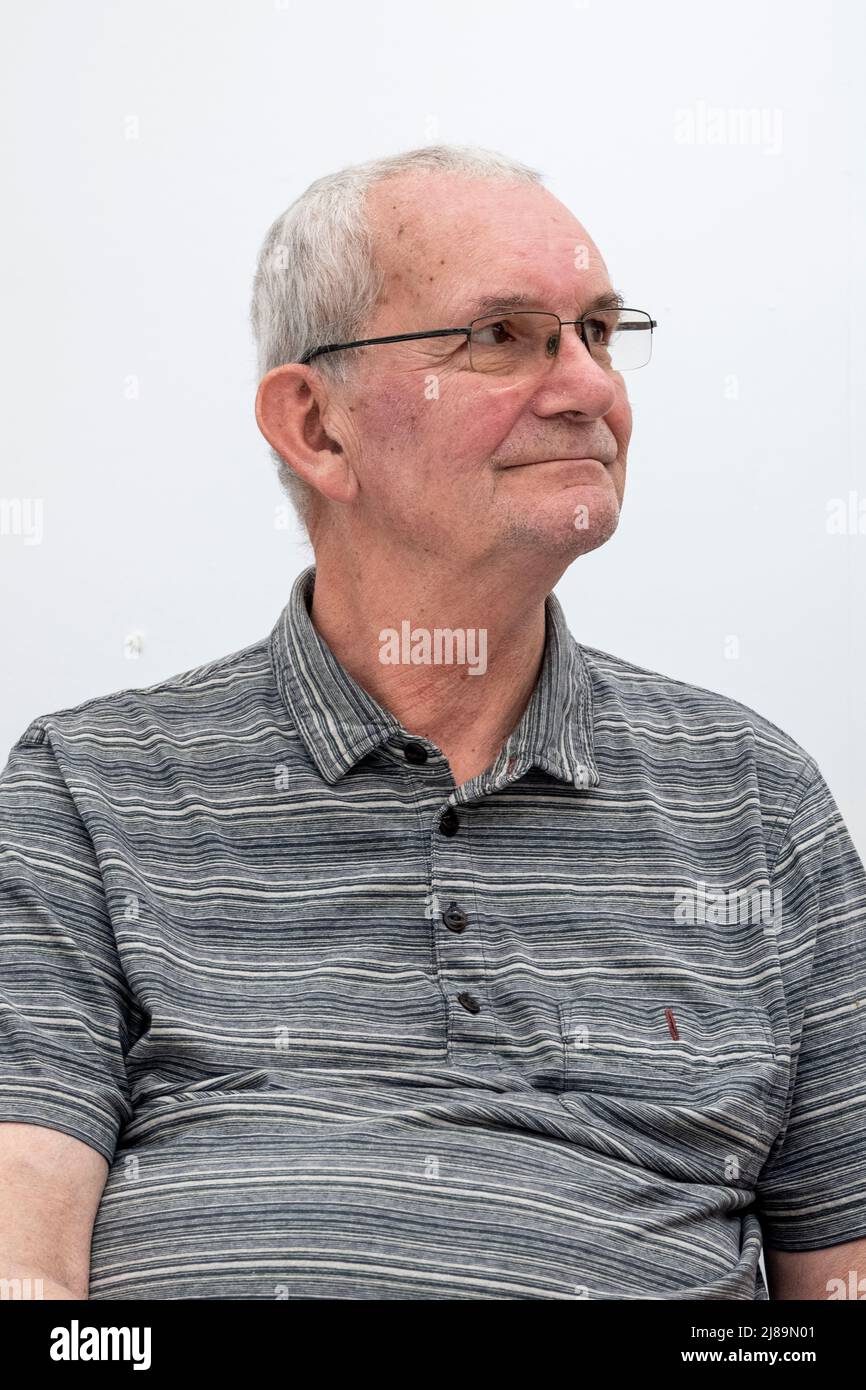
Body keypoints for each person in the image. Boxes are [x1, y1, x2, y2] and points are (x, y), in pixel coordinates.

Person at [1, 145, 864, 1301]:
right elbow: (23, 1259)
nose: (586, 388)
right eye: (502, 335)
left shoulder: (753, 799)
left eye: (597, 332)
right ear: (316, 425)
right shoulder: (88, 788)